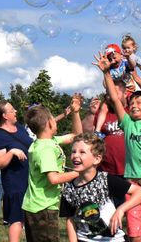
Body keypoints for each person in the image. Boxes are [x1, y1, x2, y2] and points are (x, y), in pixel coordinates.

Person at [94, 40, 141, 242]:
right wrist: (106, 73)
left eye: (138, 102)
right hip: (133, 188)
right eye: (132, 102)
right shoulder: (126, 123)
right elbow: (116, 100)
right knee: (135, 236)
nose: (133, 105)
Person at [60, 133, 141, 242]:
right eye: (73, 151)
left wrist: (120, 210)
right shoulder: (69, 188)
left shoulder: (105, 180)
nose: (75, 155)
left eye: (82, 152)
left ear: (97, 159)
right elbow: (70, 220)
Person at [21, 94, 82, 242]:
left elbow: (77, 135)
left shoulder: (48, 141)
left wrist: (75, 112)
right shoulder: (45, 149)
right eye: (53, 119)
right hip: (43, 208)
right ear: (49, 123)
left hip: (39, 206)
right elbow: (53, 178)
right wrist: (78, 172)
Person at [0, 100, 33, 242]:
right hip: (15, 184)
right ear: (4, 116)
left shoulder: (19, 128)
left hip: (29, 180)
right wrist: (12, 152)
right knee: (17, 220)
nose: (16, 112)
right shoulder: (0, 137)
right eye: (12, 110)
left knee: (29, 220)